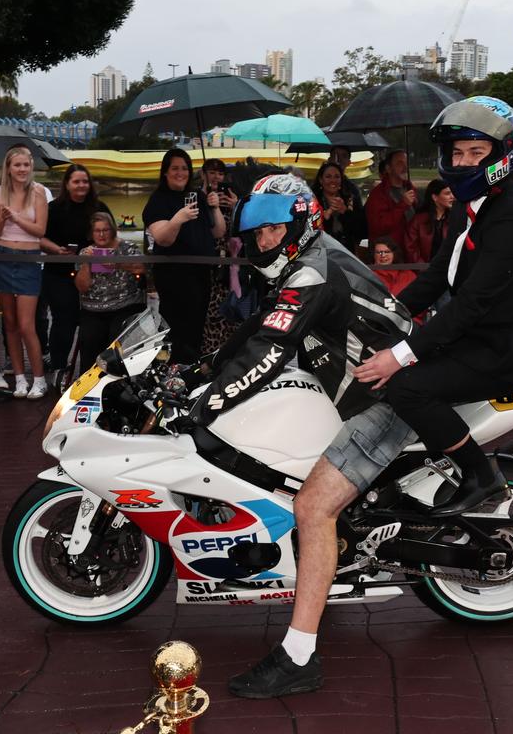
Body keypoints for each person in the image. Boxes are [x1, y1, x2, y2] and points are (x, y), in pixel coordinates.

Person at [188, 174, 415, 699]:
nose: (261, 243)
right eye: (255, 235)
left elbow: (269, 348)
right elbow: (258, 329)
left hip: (388, 400)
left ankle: (297, 657)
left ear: (298, 222)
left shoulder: (313, 270)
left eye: (270, 231)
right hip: (360, 390)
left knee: (313, 508)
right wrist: (200, 371)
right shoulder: (308, 259)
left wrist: (207, 402)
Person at [355, 96, 513, 518]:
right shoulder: (473, 209)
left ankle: (479, 475)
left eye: (476, 153)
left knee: (407, 385)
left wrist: (399, 355)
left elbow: (470, 304)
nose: (463, 162)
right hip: (481, 339)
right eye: (457, 152)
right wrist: (375, 315)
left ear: (503, 155)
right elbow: (435, 279)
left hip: (509, 353)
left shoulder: (512, 218)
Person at [142, 148, 226, 363]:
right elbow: (163, 239)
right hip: (173, 275)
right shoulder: (158, 201)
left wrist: (215, 208)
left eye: (185, 168)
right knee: (175, 327)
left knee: (197, 325)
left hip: (200, 273)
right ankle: (173, 370)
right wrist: (178, 218)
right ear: (165, 172)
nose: (181, 173)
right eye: (175, 168)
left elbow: (218, 232)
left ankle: (191, 370)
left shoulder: (198, 196)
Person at [40, 164, 111, 382]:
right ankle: (59, 366)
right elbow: (40, 238)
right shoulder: (53, 208)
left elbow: (112, 238)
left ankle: (92, 369)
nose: (81, 185)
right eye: (76, 181)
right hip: (60, 272)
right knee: (64, 321)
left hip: (96, 274)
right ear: (67, 184)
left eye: (85, 181)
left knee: (94, 322)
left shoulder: (100, 207)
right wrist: (56, 250)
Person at [0, 145, 49, 399]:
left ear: (31, 167)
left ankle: (39, 379)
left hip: (28, 260)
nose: (22, 169)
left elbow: (40, 231)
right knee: (10, 324)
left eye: (26, 165)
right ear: (9, 168)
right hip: (2, 257)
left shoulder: (39, 192)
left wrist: (14, 217)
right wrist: (3, 218)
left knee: (26, 325)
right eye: (17, 165)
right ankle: (20, 378)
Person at [74, 211, 146, 369]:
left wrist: (117, 263)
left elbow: (142, 268)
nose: (101, 234)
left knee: (117, 342)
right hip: (93, 308)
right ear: (91, 233)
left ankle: (118, 386)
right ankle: (91, 385)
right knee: (91, 338)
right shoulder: (86, 252)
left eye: (105, 230)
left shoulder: (127, 248)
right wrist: (87, 263)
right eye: (97, 231)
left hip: (124, 306)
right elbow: (81, 286)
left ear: (112, 230)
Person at [198, 157, 244, 355]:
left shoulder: (233, 197)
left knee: (231, 314)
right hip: (207, 265)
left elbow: (245, 232)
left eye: (220, 173)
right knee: (210, 316)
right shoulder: (198, 198)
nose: (216, 177)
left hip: (230, 268)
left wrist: (237, 207)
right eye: (212, 172)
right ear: (203, 174)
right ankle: (208, 359)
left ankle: (229, 357)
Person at [311, 160, 366, 254]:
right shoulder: (313, 201)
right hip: (320, 254)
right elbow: (310, 232)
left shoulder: (350, 199)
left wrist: (345, 212)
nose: (333, 180)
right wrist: (326, 215)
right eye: (328, 177)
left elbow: (361, 231)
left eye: (337, 177)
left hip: (347, 254)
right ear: (321, 180)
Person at [364, 149, 417, 244]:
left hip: (411, 249)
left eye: (406, 163)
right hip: (389, 251)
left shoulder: (410, 188)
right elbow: (378, 227)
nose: (405, 167)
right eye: (399, 163)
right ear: (388, 168)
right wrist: (403, 205)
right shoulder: (378, 194)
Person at [404, 178, 453, 264]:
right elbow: (410, 249)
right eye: (447, 193)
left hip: (449, 270)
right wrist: (425, 269)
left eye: (452, 193)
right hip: (425, 270)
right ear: (435, 197)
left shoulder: (454, 218)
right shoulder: (418, 221)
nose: (452, 196)